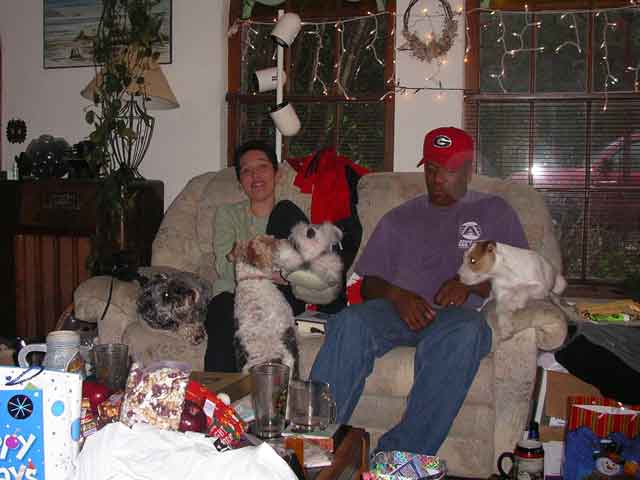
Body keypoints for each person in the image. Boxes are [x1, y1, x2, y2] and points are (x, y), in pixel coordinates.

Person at [309, 126, 530, 454]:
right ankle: (312, 444)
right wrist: (398, 297)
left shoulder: (494, 211)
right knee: (349, 322)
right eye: (431, 169)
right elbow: (369, 283)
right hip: (396, 312)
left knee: (468, 332)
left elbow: (522, 273)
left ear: (468, 170)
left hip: (455, 320)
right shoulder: (399, 218)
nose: (437, 179)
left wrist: (472, 283)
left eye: (449, 170)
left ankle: (399, 458)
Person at [204, 140, 308, 372]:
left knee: (272, 312)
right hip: (235, 294)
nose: (255, 176)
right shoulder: (227, 214)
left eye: (262, 166)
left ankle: (273, 390)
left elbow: (303, 271)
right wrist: (274, 272)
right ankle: (219, 394)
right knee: (222, 307)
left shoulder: (290, 214)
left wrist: (246, 258)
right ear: (240, 181)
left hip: (280, 297)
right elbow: (225, 267)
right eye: (246, 171)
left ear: (276, 174)